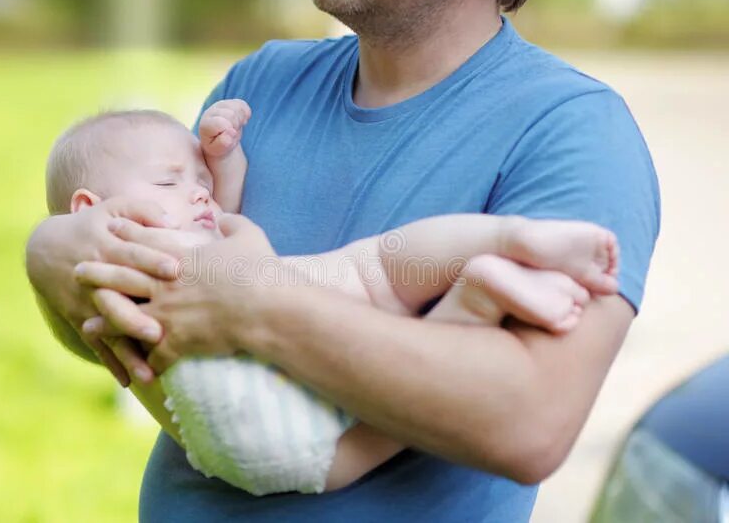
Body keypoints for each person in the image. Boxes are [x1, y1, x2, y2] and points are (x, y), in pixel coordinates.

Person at [25, 0, 660, 520]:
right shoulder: (261, 84)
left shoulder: (574, 130)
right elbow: (144, 334)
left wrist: (251, 302)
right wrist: (50, 256)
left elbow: (529, 424)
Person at [42, 106, 617, 495]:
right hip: (258, 422)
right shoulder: (122, 265)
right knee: (366, 431)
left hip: (279, 321)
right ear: (90, 208)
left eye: (201, 179)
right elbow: (88, 322)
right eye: (172, 184)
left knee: (382, 261)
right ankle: (471, 301)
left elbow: (232, 219)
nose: (199, 192)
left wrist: (225, 163)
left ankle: (505, 246)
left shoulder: (567, 124)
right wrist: (47, 248)